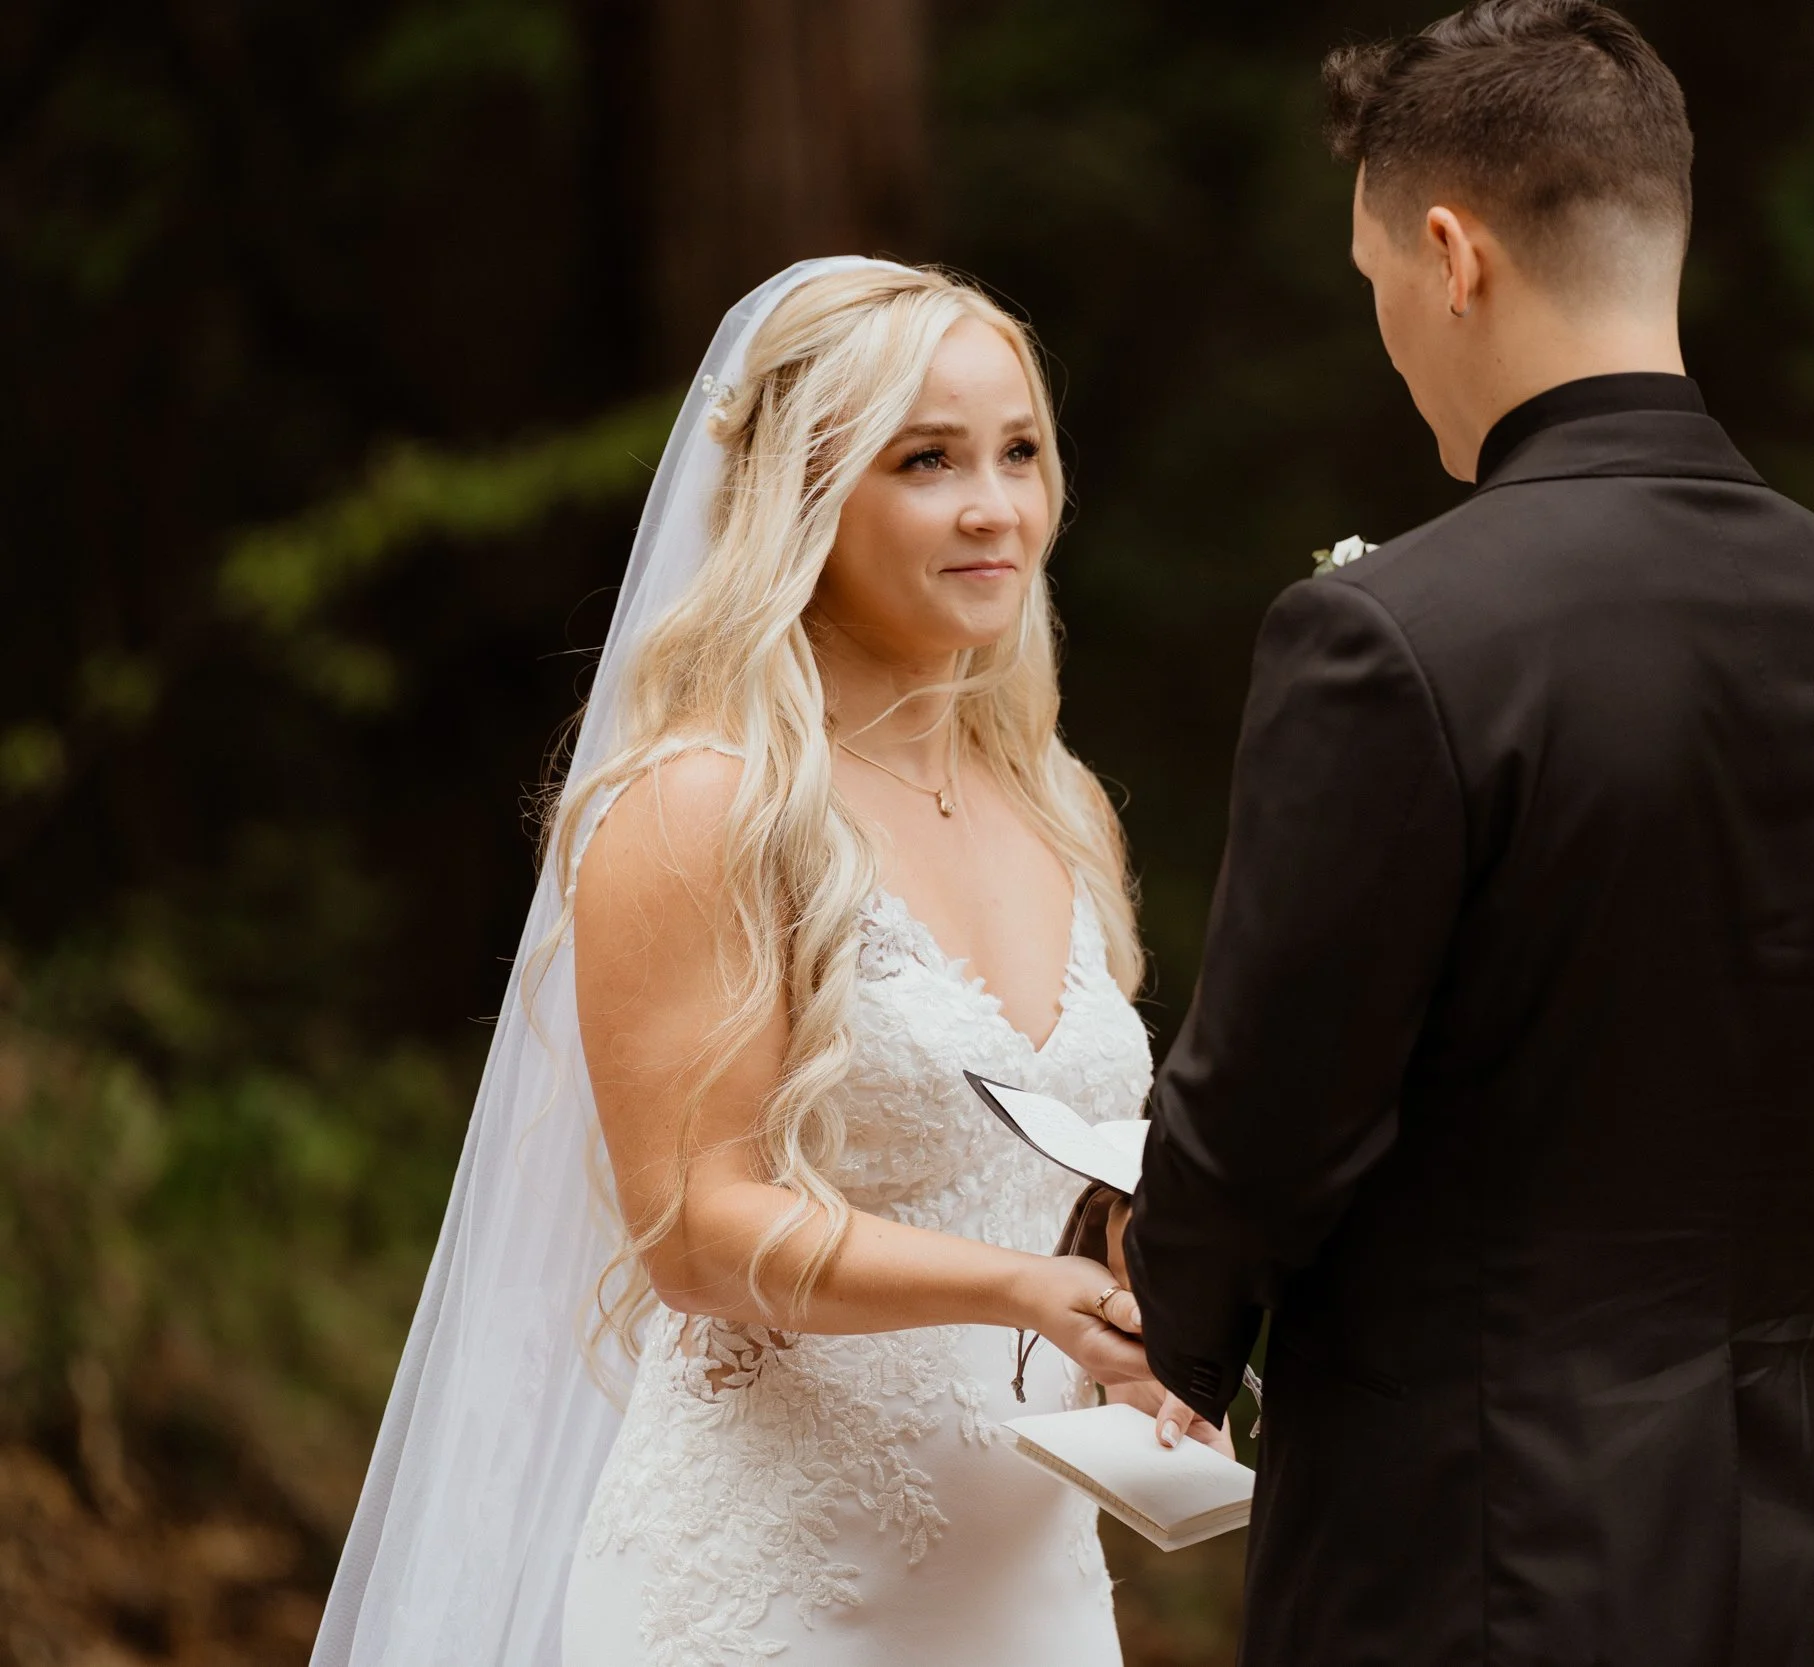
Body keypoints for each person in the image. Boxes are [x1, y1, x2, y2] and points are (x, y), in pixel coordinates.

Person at [1118, 4, 1814, 1664]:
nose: (1386, 335)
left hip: (1468, 1555)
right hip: (1801, 1553)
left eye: (1374, 281)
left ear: (1452, 256)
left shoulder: (1391, 637)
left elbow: (1263, 1125)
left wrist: (1166, 1317)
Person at [313, 259, 1212, 1667]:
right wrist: (1016, 1288)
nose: (997, 505)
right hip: (779, 1586)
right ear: (808, 490)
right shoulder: (700, 805)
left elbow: (1067, 1185)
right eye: (928, 459)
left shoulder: (1061, 802)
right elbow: (693, 1228)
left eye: (1021, 451)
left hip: (1030, 1580)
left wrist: (1158, 1323)